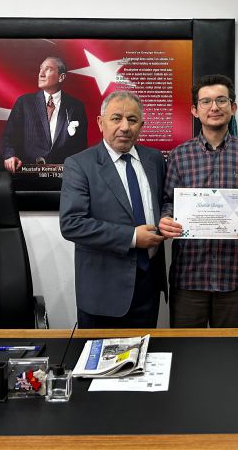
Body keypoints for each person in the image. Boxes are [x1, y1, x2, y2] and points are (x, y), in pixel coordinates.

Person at [158, 74, 238, 328]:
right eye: (206, 101)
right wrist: (165, 219)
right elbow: (168, 201)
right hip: (189, 273)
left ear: (233, 107)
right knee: (186, 349)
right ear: (194, 110)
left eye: (222, 100)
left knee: (231, 348)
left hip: (235, 272)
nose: (214, 107)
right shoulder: (179, 156)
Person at [59, 91, 167, 328]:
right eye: (116, 118)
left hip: (148, 286)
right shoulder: (79, 164)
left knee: (145, 352)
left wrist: (168, 218)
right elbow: (72, 224)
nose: (125, 127)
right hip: (103, 291)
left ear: (142, 125)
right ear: (100, 122)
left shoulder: (155, 160)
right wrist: (132, 237)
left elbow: (165, 202)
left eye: (132, 120)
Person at [1, 56, 87, 172]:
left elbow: (81, 147)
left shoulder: (76, 106)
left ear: (61, 77)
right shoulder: (24, 103)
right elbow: (8, 137)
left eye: (48, 69)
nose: (41, 74)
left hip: (64, 176)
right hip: (28, 174)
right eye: (40, 69)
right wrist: (9, 156)